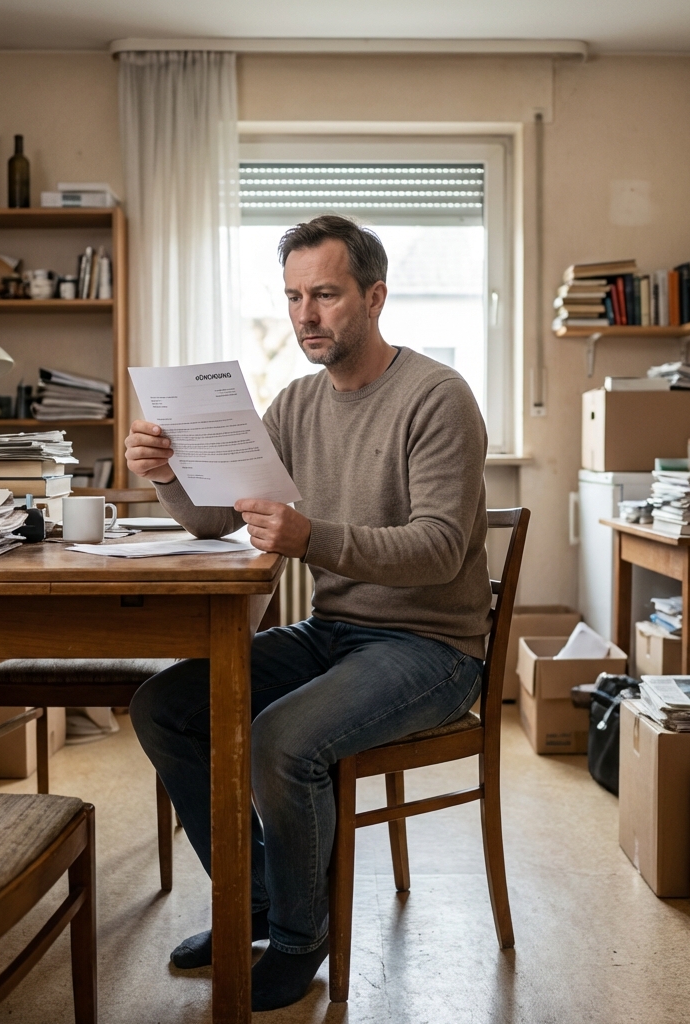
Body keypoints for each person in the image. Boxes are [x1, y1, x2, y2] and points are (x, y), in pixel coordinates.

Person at [126, 215, 492, 1011]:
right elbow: (216, 520)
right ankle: (255, 897)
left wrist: (312, 536)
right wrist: (164, 475)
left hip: (432, 647)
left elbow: (437, 549)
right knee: (165, 706)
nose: (305, 315)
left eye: (324, 294)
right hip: (337, 634)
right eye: (294, 297)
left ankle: (301, 937)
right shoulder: (296, 403)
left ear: (374, 296)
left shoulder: (437, 397)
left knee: (282, 740)